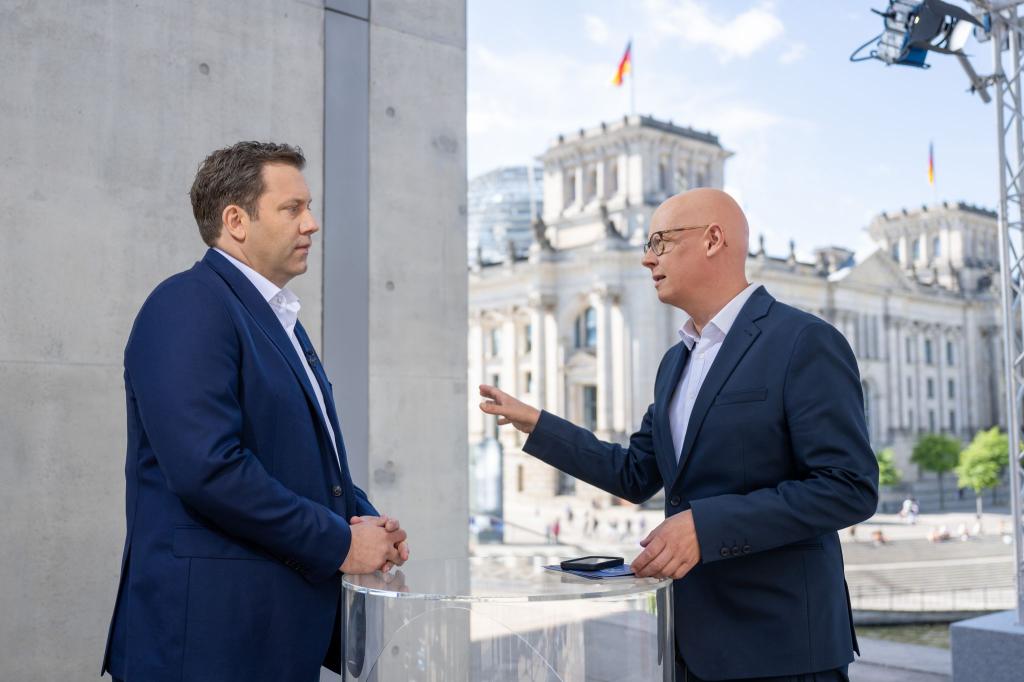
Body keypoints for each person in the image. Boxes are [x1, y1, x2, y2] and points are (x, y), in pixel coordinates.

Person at [480, 189, 879, 681]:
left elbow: (848, 487)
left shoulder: (803, 341)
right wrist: (539, 425)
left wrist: (706, 526)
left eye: (661, 242)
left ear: (714, 240)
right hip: (690, 648)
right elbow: (634, 473)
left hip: (783, 651)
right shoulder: (676, 361)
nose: (648, 258)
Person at [101, 142, 409, 682]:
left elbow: (295, 459)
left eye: (309, 207)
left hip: (270, 637)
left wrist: (366, 521)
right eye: (292, 208)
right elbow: (210, 469)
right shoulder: (188, 304)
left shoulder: (276, 318)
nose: (311, 224)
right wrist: (341, 543)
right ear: (236, 220)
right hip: (208, 646)